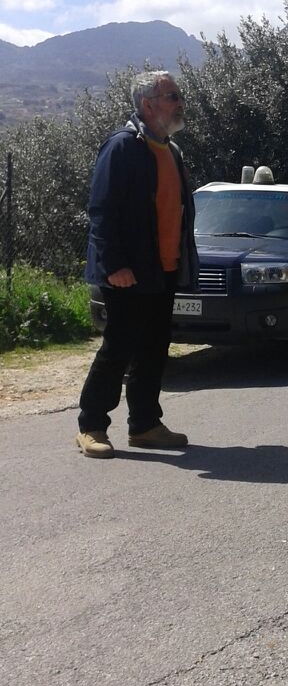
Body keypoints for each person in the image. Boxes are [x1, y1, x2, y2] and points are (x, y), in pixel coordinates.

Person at [75, 70, 199, 459]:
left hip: (161, 269)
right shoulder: (123, 146)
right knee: (120, 347)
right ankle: (91, 425)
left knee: (154, 348)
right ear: (148, 104)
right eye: (172, 95)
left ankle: (144, 425)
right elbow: (102, 210)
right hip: (127, 271)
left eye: (178, 95)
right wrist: (114, 265)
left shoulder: (170, 149)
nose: (179, 101)